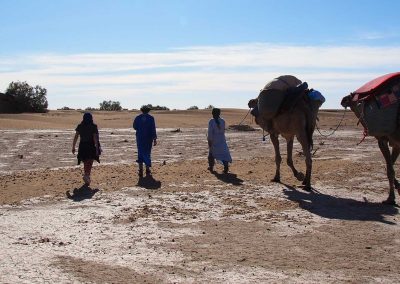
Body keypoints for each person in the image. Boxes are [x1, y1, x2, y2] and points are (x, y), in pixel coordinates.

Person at [72, 112, 100, 186]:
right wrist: (97, 148)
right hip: (90, 146)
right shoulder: (93, 126)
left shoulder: (80, 126)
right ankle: (87, 175)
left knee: (85, 161)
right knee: (90, 161)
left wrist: (73, 147)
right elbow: (95, 137)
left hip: (82, 146)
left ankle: (86, 175)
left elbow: (76, 137)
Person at [133, 105, 157, 177]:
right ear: (148, 111)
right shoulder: (151, 118)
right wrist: (154, 139)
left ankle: (140, 170)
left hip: (140, 138)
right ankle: (147, 169)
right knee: (147, 152)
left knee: (140, 152)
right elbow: (153, 129)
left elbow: (134, 127)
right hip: (148, 138)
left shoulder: (137, 118)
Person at [207, 108, 232, 173]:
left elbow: (210, 132)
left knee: (211, 153)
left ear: (212, 113)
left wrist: (209, 141)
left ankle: (211, 167)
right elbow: (223, 130)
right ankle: (226, 167)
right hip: (222, 139)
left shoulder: (211, 121)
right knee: (224, 153)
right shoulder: (222, 121)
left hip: (214, 140)